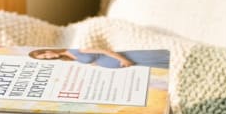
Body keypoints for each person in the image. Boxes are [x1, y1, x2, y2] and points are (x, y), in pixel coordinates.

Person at [27, 48, 169, 69]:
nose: (49, 56)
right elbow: (92, 63)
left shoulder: (76, 49)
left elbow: (103, 50)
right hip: (115, 66)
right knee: (154, 68)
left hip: (123, 58)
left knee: (153, 59)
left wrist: (122, 59)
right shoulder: (68, 58)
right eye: (45, 58)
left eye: (45, 54)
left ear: (48, 49)